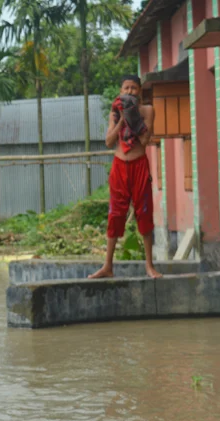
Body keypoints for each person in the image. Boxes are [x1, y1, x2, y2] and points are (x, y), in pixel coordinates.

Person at [90, 75, 161, 279]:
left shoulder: (148, 110)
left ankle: (149, 266)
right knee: (115, 215)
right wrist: (122, 118)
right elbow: (109, 141)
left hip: (139, 165)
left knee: (144, 213)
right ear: (121, 91)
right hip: (120, 167)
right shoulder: (115, 112)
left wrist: (134, 118)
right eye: (126, 88)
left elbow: (145, 139)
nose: (130, 92)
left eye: (134, 88)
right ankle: (107, 266)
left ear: (140, 91)